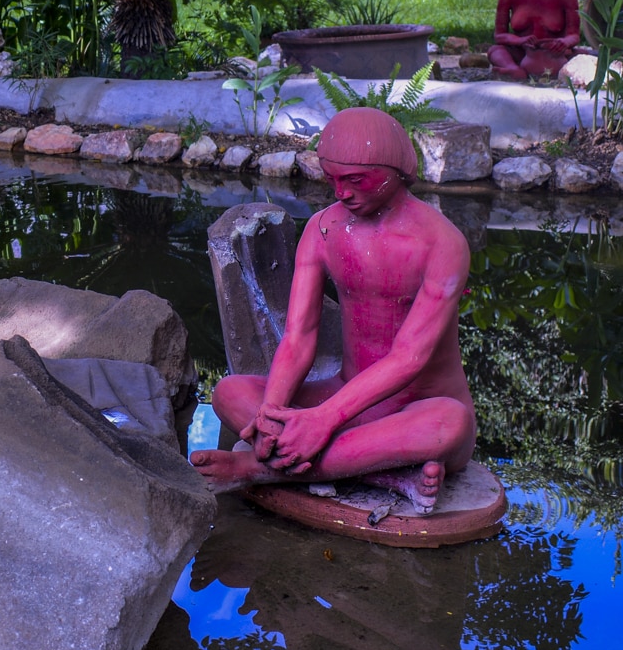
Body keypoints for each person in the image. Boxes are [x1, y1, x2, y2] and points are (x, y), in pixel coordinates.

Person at [189, 107, 477, 510]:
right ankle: (385, 474)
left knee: (450, 424)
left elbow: (408, 357)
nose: (341, 192)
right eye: (332, 179)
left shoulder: (442, 243)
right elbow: (299, 336)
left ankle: (259, 468)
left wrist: (323, 420)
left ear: (395, 170)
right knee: (229, 392)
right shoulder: (322, 230)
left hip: (419, 410)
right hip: (345, 396)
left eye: (356, 180)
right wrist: (273, 412)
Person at [487, 0, 581, 81]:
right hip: (522, 52)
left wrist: (564, 42)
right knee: (495, 51)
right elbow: (499, 35)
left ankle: (520, 71)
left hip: (554, 54)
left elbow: (574, 35)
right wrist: (519, 40)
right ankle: (513, 69)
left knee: (585, 56)